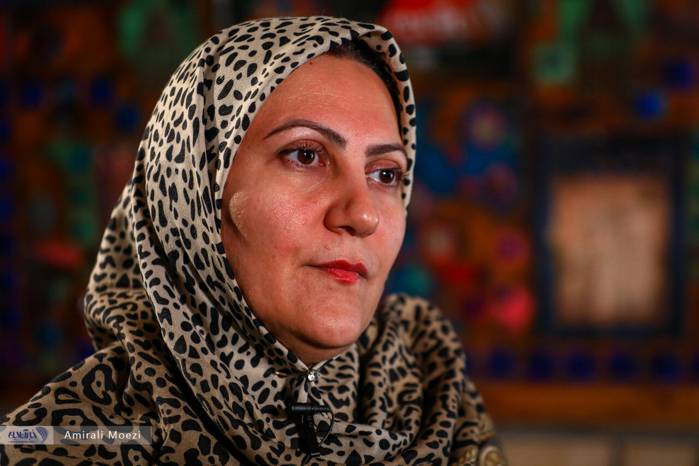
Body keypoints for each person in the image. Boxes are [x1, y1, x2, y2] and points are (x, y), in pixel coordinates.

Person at [1, 16, 507, 465]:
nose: (362, 214)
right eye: (305, 155)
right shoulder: (61, 443)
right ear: (194, 190)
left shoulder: (430, 397)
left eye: (385, 174)